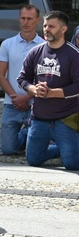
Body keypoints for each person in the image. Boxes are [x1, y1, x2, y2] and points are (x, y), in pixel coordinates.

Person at [17, 10, 79, 170]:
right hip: (39, 118)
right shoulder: (36, 52)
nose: (46, 29)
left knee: (72, 164)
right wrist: (33, 89)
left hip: (65, 119)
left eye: (51, 26)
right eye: (45, 25)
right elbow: (22, 78)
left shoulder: (73, 55)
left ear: (63, 29)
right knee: (33, 160)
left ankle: (70, 151)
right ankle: (62, 150)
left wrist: (53, 93)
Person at [0, 5, 44, 155]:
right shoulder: (7, 44)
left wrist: (27, 97)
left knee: (32, 151)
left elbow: (44, 78)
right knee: (8, 150)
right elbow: (0, 75)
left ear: (37, 20)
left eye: (29, 18)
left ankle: (29, 134)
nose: (26, 22)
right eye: (23, 18)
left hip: (34, 104)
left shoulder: (44, 46)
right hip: (12, 104)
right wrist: (15, 98)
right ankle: (26, 134)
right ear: (19, 19)